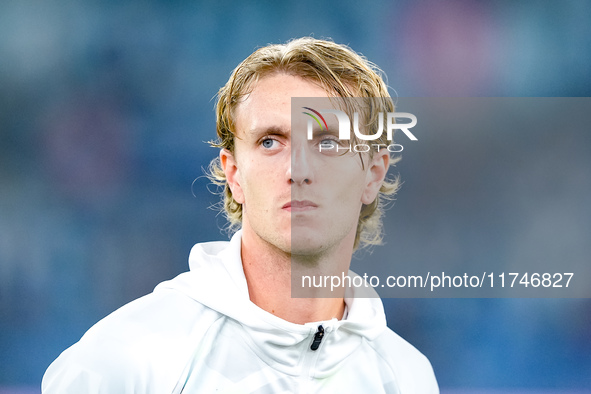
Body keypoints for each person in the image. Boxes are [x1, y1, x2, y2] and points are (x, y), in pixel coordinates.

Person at [42, 37, 438, 393]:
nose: (297, 169)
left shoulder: (406, 377)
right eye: (271, 141)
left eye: (329, 142)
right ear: (234, 174)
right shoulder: (124, 363)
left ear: (373, 173)